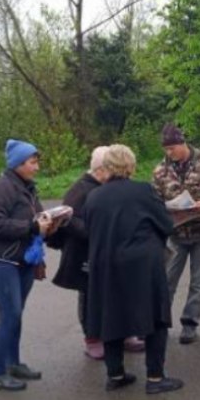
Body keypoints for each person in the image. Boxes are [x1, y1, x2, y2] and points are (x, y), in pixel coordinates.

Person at [84, 144, 184, 395]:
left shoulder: (94, 196)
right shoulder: (143, 191)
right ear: (131, 165)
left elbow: (89, 229)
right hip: (141, 263)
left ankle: (115, 374)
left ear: (106, 167)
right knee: (155, 318)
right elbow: (166, 224)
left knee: (111, 315)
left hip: (105, 263)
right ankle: (155, 376)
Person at [48, 146, 145, 359]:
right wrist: (98, 231)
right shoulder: (80, 190)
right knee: (90, 297)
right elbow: (70, 223)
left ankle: (125, 333)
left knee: (121, 292)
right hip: (85, 255)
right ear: (101, 169)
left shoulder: (106, 186)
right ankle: (92, 339)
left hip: (113, 253)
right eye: (112, 169)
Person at [0, 139, 57, 391]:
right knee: (9, 315)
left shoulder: (28, 188)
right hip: (0, 260)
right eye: (32, 162)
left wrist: (51, 222)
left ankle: (14, 363)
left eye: (36, 162)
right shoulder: (1, 187)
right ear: (18, 164)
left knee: (16, 314)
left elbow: (38, 218)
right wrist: (32, 226)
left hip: (23, 259)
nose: (37, 167)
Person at [152, 123, 200, 344]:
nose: (169, 153)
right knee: (167, 280)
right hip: (175, 233)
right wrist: (167, 208)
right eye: (165, 149)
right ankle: (160, 323)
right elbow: (154, 200)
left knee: (198, 281)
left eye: (172, 148)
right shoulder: (160, 170)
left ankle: (190, 323)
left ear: (182, 143)